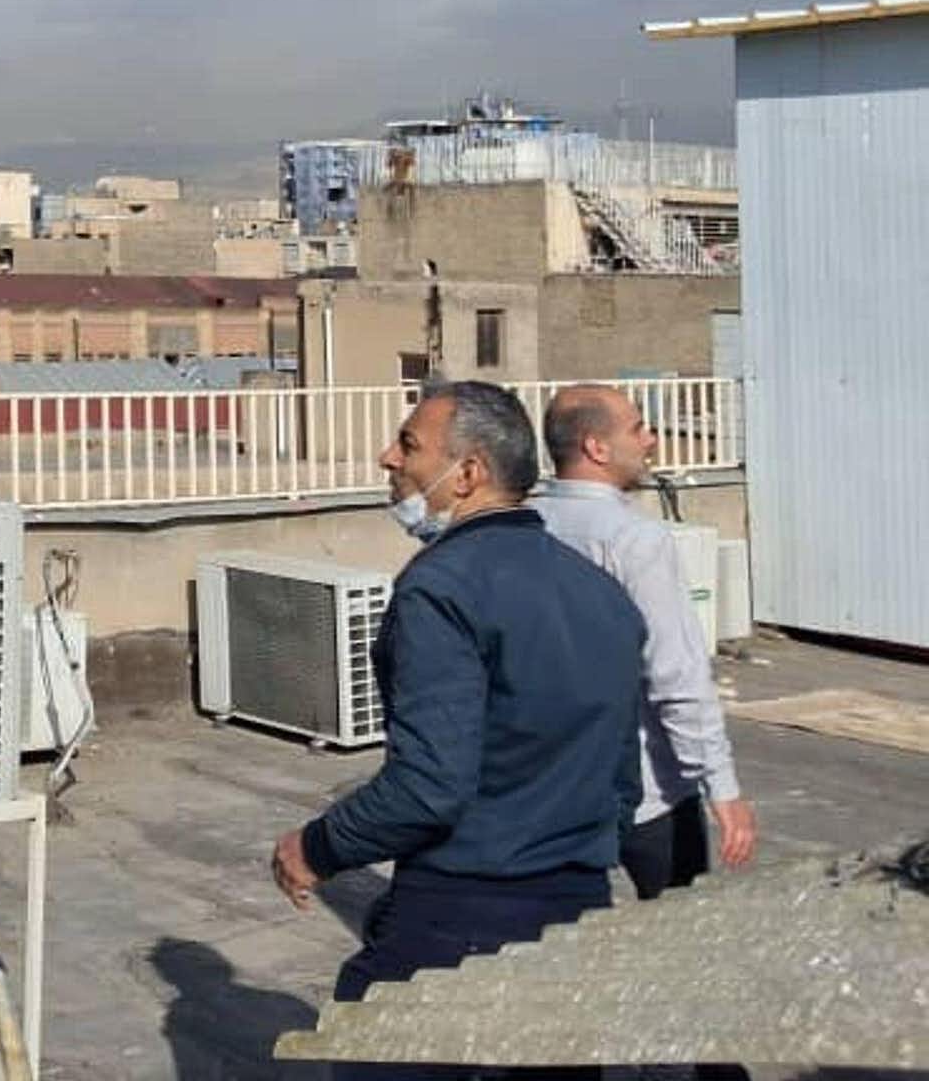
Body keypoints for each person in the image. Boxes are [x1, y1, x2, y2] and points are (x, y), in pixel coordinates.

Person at [271, 381, 643, 1078]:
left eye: (409, 443)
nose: (388, 457)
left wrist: (316, 846)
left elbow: (428, 787)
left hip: (461, 917)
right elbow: (623, 777)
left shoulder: (441, 588)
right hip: (578, 917)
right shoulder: (601, 593)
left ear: (468, 473)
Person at [532, 385, 756, 898]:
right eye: (638, 428)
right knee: (683, 943)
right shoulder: (635, 539)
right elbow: (676, 673)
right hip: (646, 790)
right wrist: (721, 785)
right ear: (597, 448)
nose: (652, 440)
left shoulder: (527, 524)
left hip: (549, 786)